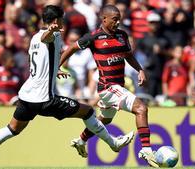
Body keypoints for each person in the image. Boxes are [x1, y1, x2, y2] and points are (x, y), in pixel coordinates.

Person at [0, 5, 134, 168]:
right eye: (62, 19)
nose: (63, 22)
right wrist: (51, 31)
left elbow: (40, 58)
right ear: (56, 21)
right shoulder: (52, 35)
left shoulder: (33, 37)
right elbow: (46, 38)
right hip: (44, 100)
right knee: (88, 112)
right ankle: (113, 143)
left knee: (12, 129)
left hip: (26, 96)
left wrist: (54, 70)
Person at [59, 4, 159, 167]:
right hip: (108, 87)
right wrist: (59, 65)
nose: (118, 22)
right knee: (141, 108)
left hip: (117, 86)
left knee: (104, 120)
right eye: (114, 19)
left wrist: (139, 69)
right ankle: (146, 149)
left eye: (119, 19)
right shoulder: (93, 37)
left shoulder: (122, 35)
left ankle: (80, 140)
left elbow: (128, 56)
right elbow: (71, 48)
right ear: (104, 19)